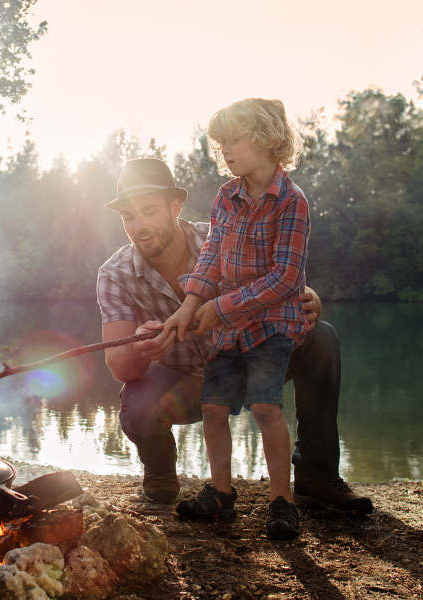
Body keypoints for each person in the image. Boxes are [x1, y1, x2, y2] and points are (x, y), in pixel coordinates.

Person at [96, 156, 373, 518]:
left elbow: (276, 279)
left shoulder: (219, 237)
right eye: (129, 216)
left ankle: (317, 476)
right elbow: (118, 366)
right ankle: (160, 470)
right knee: (136, 403)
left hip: (249, 360)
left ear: (175, 206)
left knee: (320, 340)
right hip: (187, 386)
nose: (140, 226)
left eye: (149, 211)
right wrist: (141, 345)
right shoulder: (114, 275)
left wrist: (310, 296)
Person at [161, 98, 309, 539]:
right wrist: (190, 305)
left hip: (271, 324)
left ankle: (282, 501)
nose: (225, 151)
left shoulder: (292, 202)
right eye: (221, 144)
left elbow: (285, 278)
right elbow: (210, 258)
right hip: (227, 328)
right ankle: (221, 495)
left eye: (234, 141)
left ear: (266, 141)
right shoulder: (227, 196)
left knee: (265, 407)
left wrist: (220, 308)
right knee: (212, 409)